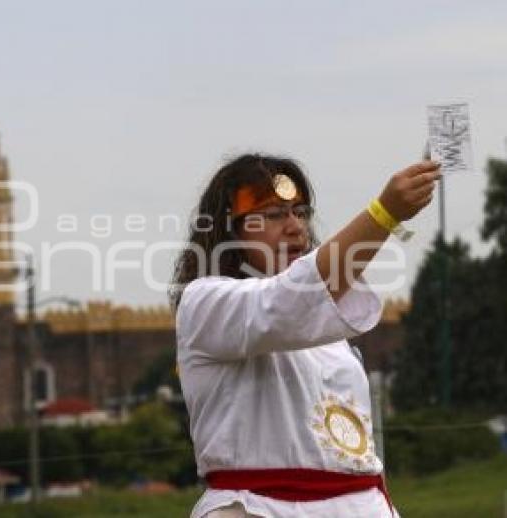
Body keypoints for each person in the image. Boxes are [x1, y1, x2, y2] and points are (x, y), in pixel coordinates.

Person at [171, 154, 440, 518]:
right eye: (274, 214)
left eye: (300, 212)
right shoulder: (204, 304)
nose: (296, 227)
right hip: (256, 508)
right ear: (229, 230)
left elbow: (304, 302)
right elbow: (285, 303)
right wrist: (384, 214)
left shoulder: (328, 332)